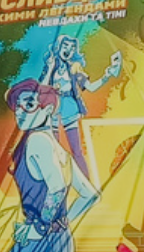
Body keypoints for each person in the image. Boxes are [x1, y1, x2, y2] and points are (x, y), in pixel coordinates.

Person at [0, 79, 99, 252]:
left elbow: (57, 188)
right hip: (62, 240)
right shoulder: (61, 151)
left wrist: (41, 228)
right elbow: (90, 195)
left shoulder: (37, 141)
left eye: (29, 104)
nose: (19, 111)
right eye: (17, 106)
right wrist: (60, 223)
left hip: (38, 242)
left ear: (48, 109)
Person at [39, 34, 121, 179]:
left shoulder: (74, 68)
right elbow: (42, 88)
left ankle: (86, 182)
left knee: (76, 150)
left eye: (72, 48)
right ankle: (56, 183)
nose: (68, 50)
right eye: (65, 46)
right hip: (52, 108)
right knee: (54, 150)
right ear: (58, 47)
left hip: (69, 108)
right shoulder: (51, 66)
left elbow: (91, 87)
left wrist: (107, 75)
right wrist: (50, 67)